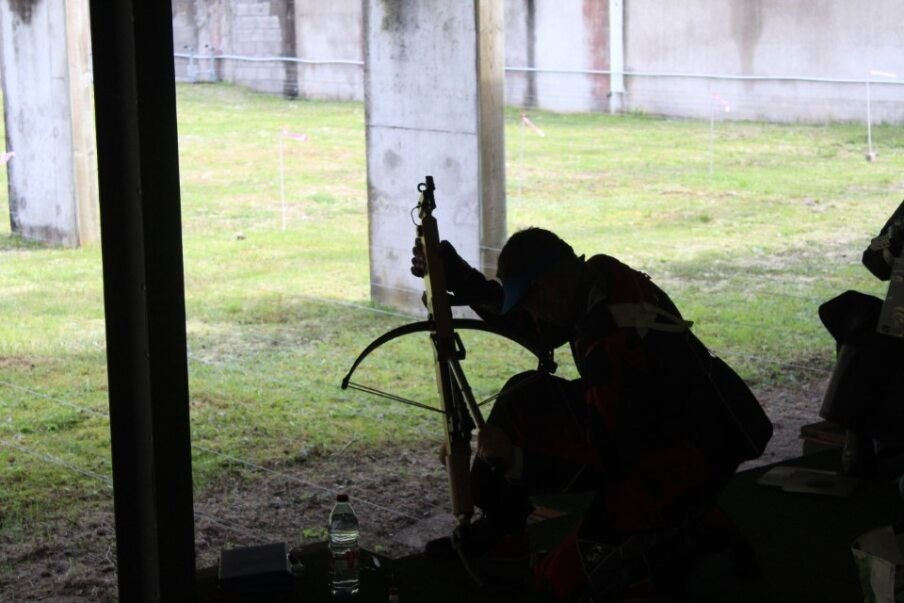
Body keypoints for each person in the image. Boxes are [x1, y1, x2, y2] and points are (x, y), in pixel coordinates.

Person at [411, 227, 773, 601]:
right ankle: (502, 539)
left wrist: (517, 462)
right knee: (525, 398)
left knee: (557, 585)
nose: (531, 310)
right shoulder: (596, 280)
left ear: (552, 283)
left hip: (675, 455)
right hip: (655, 427)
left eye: (531, 298)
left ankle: (690, 522)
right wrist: (461, 278)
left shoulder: (613, 340)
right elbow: (539, 327)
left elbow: (610, 457)